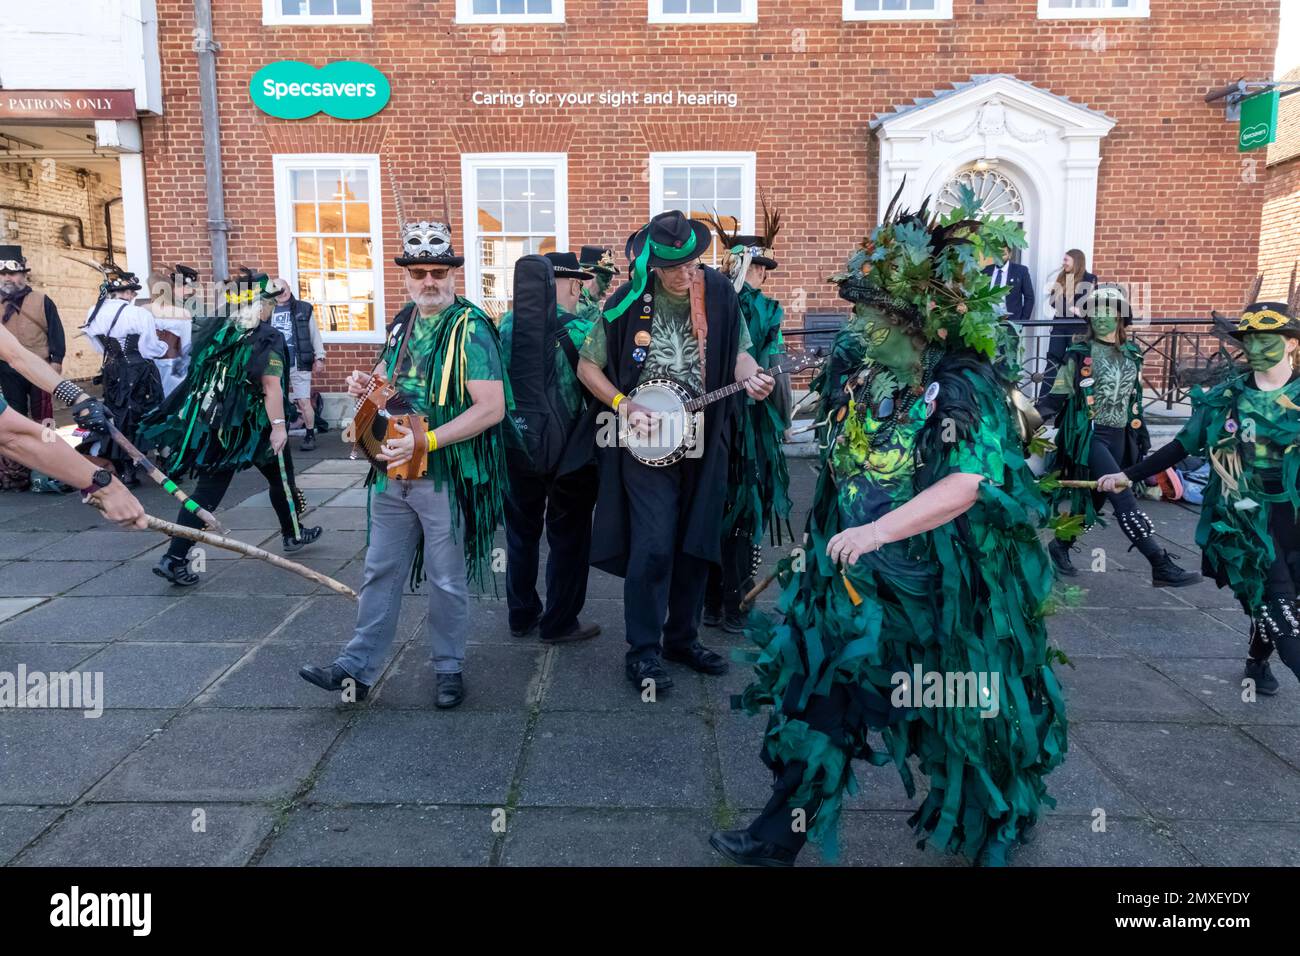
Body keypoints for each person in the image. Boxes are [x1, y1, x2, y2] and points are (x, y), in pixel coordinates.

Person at [710, 186, 1067, 867]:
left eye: (875, 314)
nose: (859, 325)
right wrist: (832, 539)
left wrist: (877, 533)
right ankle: (777, 836)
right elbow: (839, 469)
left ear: (918, 323)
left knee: (963, 709)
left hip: (934, 591)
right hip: (854, 584)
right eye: (861, 311)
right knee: (824, 693)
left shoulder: (961, 387)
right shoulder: (860, 372)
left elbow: (967, 482)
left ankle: (998, 815)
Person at [299, 217, 510, 710]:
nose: (429, 282)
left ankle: (448, 668)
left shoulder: (471, 328)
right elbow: (386, 380)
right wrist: (363, 389)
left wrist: (427, 442)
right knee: (379, 571)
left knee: (446, 577)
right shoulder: (402, 321)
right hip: (390, 473)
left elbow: (491, 408)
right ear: (406, 278)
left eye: (438, 272)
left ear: (454, 274)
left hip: (446, 475)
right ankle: (356, 668)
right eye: (419, 273)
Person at [576, 210, 775, 693]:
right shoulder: (627, 299)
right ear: (653, 265)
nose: (688, 275)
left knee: (695, 541)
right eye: (676, 269)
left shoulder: (721, 294)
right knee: (653, 545)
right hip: (643, 442)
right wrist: (624, 405)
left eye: (693, 263)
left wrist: (749, 375)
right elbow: (587, 366)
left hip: (703, 439)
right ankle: (643, 651)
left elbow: (739, 352)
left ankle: (681, 639)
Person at [1098, 276, 1300, 696]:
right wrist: (1127, 475)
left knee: (1280, 602)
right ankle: (1268, 656)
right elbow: (1181, 445)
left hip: (1295, 517)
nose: (1256, 349)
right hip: (1249, 517)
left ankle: (1256, 661)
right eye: (1250, 340)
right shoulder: (1224, 398)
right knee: (1282, 609)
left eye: (1269, 339)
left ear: (1292, 342)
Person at [138, 270, 322, 586]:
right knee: (272, 480)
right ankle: (176, 557)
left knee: (241, 486)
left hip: (217, 423)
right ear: (260, 304)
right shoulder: (267, 336)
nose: (271, 308)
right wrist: (279, 426)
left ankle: (291, 532)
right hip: (253, 425)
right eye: (268, 302)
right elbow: (271, 386)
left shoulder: (217, 331)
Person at [1035, 282, 1199, 587]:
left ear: (1121, 318)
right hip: (1091, 439)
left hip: (1122, 438)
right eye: (1094, 312)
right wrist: (1024, 423)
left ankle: (1060, 546)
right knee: (1122, 497)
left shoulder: (1133, 354)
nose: (1099, 318)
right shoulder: (1078, 355)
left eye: (1106, 312)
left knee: (1095, 503)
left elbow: (1133, 401)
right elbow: (1054, 399)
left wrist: (1142, 438)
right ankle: (1159, 563)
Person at [498, 252, 601, 644]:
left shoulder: (505, 326)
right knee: (569, 539)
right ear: (575, 284)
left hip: (517, 445)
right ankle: (560, 621)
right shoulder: (584, 330)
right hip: (568, 454)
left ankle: (521, 614)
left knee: (520, 534)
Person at [703, 198, 793, 633]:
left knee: (709, 503)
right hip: (751, 427)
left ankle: (707, 602)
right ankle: (736, 604)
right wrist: (785, 419)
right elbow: (776, 372)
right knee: (744, 513)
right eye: (761, 268)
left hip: (706, 421)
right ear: (749, 267)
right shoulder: (766, 310)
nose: (763, 276)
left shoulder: (705, 301)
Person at [0, 298, 140, 525]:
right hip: (11, 377)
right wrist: (103, 485)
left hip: (40, 372)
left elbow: (17, 353)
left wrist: (79, 398)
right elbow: (14, 437)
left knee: (42, 421)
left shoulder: (41, 301)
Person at [79, 265, 166, 487]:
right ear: (126, 293)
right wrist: (163, 347)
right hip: (138, 371)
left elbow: (98, 347)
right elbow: (149, 347)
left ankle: (127, 470)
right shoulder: (138, 313)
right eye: (133, 292)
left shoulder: (94, 311)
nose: (133, 296)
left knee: (117, 415)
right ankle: (159, 464)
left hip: (112, 370)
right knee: (148, 413)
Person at [0, 244, 66, 491]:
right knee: (12, 419)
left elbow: (56, 333)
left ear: (23, 275)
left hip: (39, 367)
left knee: (45, 419)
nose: (8, 278)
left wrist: (56, 362)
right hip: (6, 370)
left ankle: (49, 463)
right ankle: (16, 471)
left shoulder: (41, 300)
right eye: (3, 274)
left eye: (13, 273)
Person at [267, 277, 326, 451]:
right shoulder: (266, 310)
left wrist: (320, 357)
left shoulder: (303, 308)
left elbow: (314, 334)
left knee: (303, 401)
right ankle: (278, 435)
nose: (282, 293)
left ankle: (309, 435)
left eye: (284, 288)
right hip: (275, 365)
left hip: (298, 362)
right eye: (278, 290)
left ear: (289, 288)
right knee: (275, 401)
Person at [1040, 249, 1096, 398]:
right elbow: (1053, 301)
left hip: (1079, 330)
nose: (1063, 263)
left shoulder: (1090, 279)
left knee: (1078, 363)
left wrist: (1074, 308)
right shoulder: (1062, 277)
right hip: (1060, 326)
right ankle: (1044, 401)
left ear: (1076, 262)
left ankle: (1078, 402)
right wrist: (1072, 308)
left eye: (1066, 260)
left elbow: (1089, 305)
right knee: (1053, 363)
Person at [145, 269, 193, 398]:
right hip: (174, 364)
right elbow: (186, 345)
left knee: (152, 403)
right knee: (173, 403)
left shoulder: (142, 311)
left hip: (147, 366)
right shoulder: (182, 313)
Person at [982, 253, 1035, 325]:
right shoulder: (985, 270)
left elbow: (1029, 297)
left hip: (1011, 323)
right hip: (988, 322)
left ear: (1010, 255)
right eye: (997, 252)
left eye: (1003, 254)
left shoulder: (1021, 271)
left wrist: (1022, 322)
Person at [578, 245, 618, 312]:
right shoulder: (577, 303)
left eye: (610, 279)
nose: (608, 285)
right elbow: (600, 321)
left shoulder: (590, 300)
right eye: (605, 279)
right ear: (588, 276)